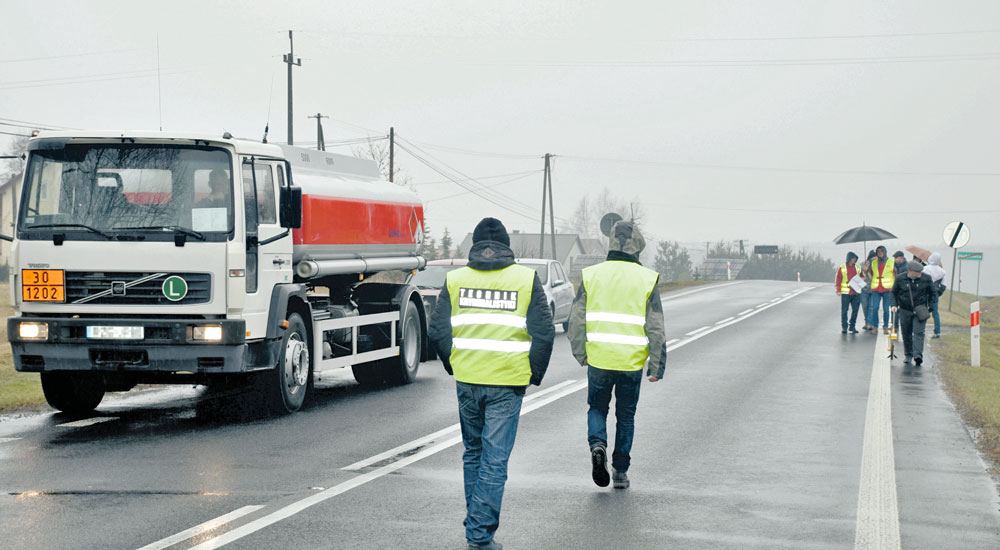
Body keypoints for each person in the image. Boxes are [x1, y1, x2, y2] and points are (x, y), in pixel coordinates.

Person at [429, 217, 554, 550]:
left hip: (468, 380)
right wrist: (533, 373)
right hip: (507, 382)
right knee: (494, 460)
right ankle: (480, 536)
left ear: (475, 246)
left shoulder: (455, 279)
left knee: (474, 454)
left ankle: (477, 527)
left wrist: (453, 363)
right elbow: (544, 331)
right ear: (506, 247)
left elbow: (438, 330)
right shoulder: (525, 279)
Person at [567, 220, 667, 490]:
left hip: (599, 358)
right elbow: (655, 326)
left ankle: (597, 444)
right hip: (631, 362)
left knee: (597, 408)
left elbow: (575, 320)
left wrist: (580, 352)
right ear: (638, 247)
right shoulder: (647, 279)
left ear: (611, 241)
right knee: (626, 416)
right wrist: (656, 366)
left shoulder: (591, 275)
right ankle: (620, 472)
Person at [891, 261, 937, 365]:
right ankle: (908, 354)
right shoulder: (900, 278)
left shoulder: (926, 278)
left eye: (921, 271)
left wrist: (930, 306)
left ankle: (918, 355)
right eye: (918, 272)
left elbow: (933, 293)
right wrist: (894, 304)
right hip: (905, 310)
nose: (920, 273)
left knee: (919, 333)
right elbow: (893, 292)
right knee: (906, 333)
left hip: (920, 310)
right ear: (910, 271)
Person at [868, 246, 895, 335]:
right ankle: (875, 327)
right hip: (876, 288)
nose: (880, 253)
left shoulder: (891, 261)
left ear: (885, 251)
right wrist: (866, 269)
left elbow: (895, 274)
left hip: (887, 289)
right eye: (878, 251)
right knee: (875, 308)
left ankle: (886, 326)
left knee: (886, 309)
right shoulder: (874, 262)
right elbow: (871, 273)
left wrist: (894, 286)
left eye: (881, 251)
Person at [922, 252, 947, 339]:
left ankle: (922, 330)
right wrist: (938, 293)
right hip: (935, 293)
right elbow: (944, 286)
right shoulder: (942, 272)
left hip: (925, 292)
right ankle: (937, 332)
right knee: (935, 313)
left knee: (923, 311)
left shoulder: (924, 269)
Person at [835, 252, 861, 334]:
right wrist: (838, 290)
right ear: (849, 258)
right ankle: (844, 327)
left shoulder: (858, 267)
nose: (855, 260)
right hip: (846, 292)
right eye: (853, 258)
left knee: (855, 310)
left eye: (855, 258)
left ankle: (852, 326)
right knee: (844, 311)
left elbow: (862, 277)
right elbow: (838, 279)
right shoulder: (842, 267)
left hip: (856, 292)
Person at [860, 250, 876, 331]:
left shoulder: (877, 265)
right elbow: (859, 276)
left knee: (872, 307)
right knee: (865, 306)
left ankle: (870, 323)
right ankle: (867, 321)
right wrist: (864, 273)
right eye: (874, 257)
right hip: (864, 288)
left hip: (874, 289)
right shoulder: (863, 265)